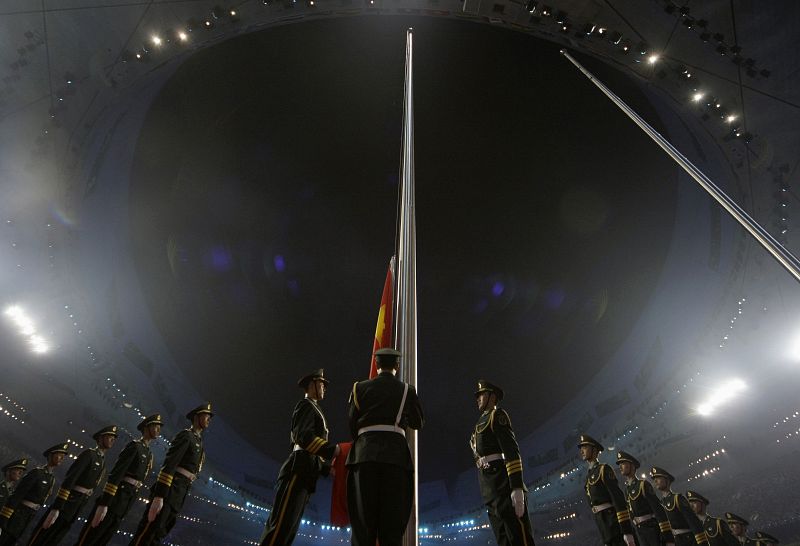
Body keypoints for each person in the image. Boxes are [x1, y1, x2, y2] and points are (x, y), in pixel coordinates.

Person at [346, 348, 424, 546]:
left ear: (377, 365)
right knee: (392, 526)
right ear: (396, 366)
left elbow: (352, 425)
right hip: (395, 459)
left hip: (364, 457)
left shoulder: (358, 388)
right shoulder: (407, 390)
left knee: (363, 525)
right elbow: (418, 423)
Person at [259, 370, 339, 546]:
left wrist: (326, 469)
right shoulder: (306, 405)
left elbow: (312, 450)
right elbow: (304, 437)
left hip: (306, 473)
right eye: (321, 383)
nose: (324, 387)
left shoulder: (314, 408)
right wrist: (333, 451)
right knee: (280, 526)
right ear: (311, 385)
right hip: (297, 470)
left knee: (289, 531)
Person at [128, 403, 212, 546]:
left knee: (159, 534)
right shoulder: (186, 436)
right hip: (170, 491)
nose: (209, 419)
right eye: (206, 416)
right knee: (148, 532)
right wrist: (160, 495)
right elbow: (170, 464)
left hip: (179, 493)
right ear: (197, 417)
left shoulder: (199, 442)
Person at [73, 414, 162, 545]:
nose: (158, 430)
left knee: (104, 537)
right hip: (117, 497)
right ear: (147, 427)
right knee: (92, 536)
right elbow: (117, 474)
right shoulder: (134, 446)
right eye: (156, 426)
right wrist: (105, 502)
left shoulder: (149, 454)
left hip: (127, 499)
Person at [469, 380, 535, 546]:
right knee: (503, 539)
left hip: (504, 485)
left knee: (519, 537)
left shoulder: (497, 416)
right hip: (489, 489)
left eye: (481, 394)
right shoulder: (478, 425)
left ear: (493, 397)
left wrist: (517, 487)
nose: (477, 398)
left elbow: (511, 451)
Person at [28, 426, 118, 546]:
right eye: (110, 437)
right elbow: (71, 478)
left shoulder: (101, 460)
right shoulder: (89, 454)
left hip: (78, 504)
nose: (113, 440)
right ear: (101, 438)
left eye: (114, 438)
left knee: (56, 537)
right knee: (45, 534)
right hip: (69, 501)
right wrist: (58, 506)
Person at [0, 443, 68, 545]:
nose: (62, 458)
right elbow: (17, 495)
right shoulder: (36, 473)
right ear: (50, 456)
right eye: (59, 455)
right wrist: (3, 520)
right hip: (18, 513)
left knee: (12, 541)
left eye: (63, 456)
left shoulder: (51, 479)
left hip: (29, 515)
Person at [578, 435, 634, 546]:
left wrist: (626, 531)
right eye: (581, 448)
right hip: (603, 525)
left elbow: (618, 500)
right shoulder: (588, 477)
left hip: (613, 523)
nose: (581, 451)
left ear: (594, 450)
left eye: (584, 447)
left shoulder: (603, 469)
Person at [614, 451, 672, 546]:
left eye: (623, 463)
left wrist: (667, 536)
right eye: (619, 464)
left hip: (651, 528)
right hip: (639, 530)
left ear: (632, 466)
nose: (620, 467)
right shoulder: (627, 490)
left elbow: (658, 510)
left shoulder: (643, 485)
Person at [650, 467, 706, 545]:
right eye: (654, 479)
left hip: (687, 540)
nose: (655, 481)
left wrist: (702, 543)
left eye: (658, 478)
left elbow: (693, 522)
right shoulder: (660, 503)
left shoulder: (678, 499)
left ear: (667, 480)